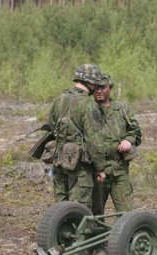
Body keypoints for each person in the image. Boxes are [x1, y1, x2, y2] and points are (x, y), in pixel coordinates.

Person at [47, 64, 106, 210]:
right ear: (90, 83)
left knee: (60, 207)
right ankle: (81, 233)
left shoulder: (60, 99)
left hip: (59, 160)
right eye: (96, 84)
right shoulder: (88, 104)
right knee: (80, 208)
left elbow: (51, 126)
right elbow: (95, 140)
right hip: (79, 165)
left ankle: (60, 232)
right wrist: (100, 168)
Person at [90, 74, 142, 216]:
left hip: (119, 169)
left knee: (126, 214)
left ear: (110, 88)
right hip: (97, 171)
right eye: (95, 88)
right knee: (95, 214)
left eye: (102, 87)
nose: (98, 91)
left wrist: (129, 140)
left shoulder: (121, 109)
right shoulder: (88, 109)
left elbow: (135, 131)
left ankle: (123, 238)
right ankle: (97, 238)